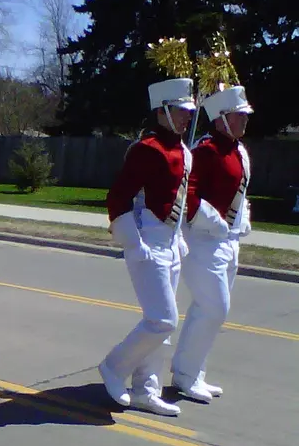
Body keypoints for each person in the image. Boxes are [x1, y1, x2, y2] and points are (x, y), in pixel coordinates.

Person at [99, 69, 195, 417]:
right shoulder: (147, 149)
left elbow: (179, 199)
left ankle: (146, 390)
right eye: (182, 110)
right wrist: (132, 242)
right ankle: (113, 366)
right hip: (147, 241)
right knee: (162, 320)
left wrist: (180, 238)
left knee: (163, 325)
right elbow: (118, 198)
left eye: (189, 110)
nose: (188, 115)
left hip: (171, 243)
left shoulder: (183, 151)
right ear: (163, 111)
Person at [170, 83, 254, 403]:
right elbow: (188, 195)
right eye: (238, 116)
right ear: (220, 118)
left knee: (208, 310)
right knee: (215, 308)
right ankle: (187, 374)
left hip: (228, 242)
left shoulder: (239, 151)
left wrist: (239, 219)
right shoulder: (204, 151)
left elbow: (240, 193)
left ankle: (192, 373)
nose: (245, 121)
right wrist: (215, 222)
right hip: (203, 241)